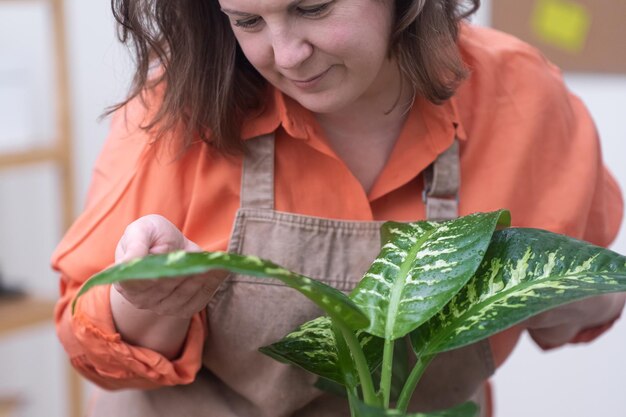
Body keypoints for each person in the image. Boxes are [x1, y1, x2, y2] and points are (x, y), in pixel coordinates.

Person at [52, 0, 625, 416]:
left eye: (313, 8)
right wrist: (148, 297)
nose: (286, 55)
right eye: (248, 21)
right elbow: (93, 347)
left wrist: (568, 291)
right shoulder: (180, 106)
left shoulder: (517, 95)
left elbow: (592, 297)